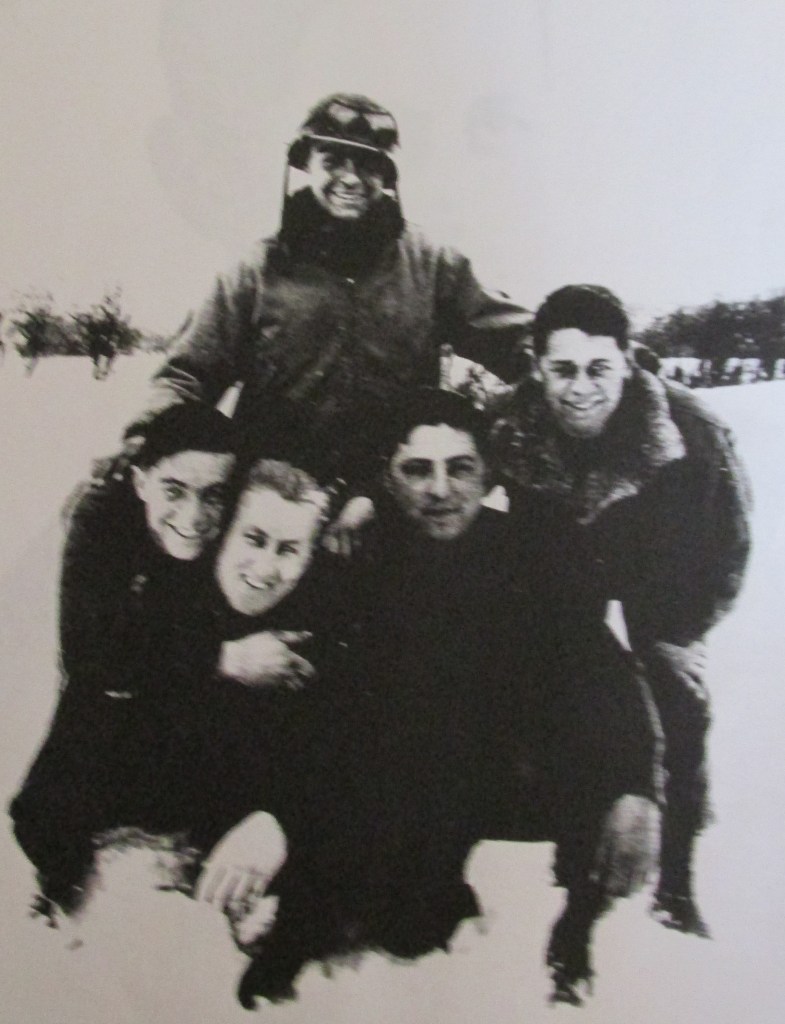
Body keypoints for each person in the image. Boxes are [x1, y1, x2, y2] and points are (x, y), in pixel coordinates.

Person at [235, 388, 663, 1009]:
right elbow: (308, 706)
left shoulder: (528, 552)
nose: (439, 489)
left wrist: (636, 788)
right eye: (417, 470)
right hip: (397, 776)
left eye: (459, 468)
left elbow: (605, 672)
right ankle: (311, 916)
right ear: (388, 478)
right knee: (407, 928)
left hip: (505, 767)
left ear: (487, 474)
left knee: (592, 758)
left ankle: (575, 932)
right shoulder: (362, 555)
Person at [490, 284, 752, 937]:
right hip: (563, 569)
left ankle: (676, 880)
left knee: (674, 700)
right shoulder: (506, 422)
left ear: (628, 360)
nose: (579, 388)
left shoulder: (691, 432)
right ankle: (579, 843)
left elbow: (727, 544)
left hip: (660, 574)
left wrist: (680, 632)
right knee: (565, 690)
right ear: (535, 363)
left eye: (598, 368)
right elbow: (440, 452)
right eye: (562, 369)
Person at [122, 93, 531, 486]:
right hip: (278, 502)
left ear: (387, 175)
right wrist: (146, 437)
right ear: (307, 165)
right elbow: (185, 375)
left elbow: (519, 343)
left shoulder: (433, 266)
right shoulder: (256, 271)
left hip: (394, 497)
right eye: (333, 161)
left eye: (369, 165)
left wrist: (571, 357)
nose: (350, 178)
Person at [9, 404, 237, 920]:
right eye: (175, 490)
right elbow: (86, 652)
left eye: (214, 494)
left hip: (195, 718)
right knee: (48, 815)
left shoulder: (239, 522)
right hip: (116, 700)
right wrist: (219, 657)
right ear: (140, 482)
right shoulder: (102, 517)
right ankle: (63, 880)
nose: (195, 516)